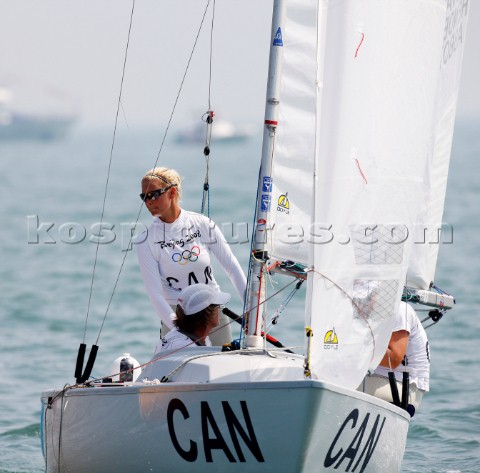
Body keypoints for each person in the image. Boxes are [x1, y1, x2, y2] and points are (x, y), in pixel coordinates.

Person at [136, 167, 247, 346]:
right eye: (144, 197)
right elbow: (155, 294)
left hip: (211, 312)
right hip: (176, 315)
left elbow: (232, 267)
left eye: (154, 194)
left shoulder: (202, 224)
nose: (148, 201)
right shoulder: (146, 240)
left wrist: (251, 308)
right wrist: (178, 330)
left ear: (172, 192)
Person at [359, 301, 430, 412]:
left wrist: (351, 345)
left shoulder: (399, 309)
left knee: (332, 385)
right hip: (376, 379)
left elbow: (393, 358)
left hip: (401, 386)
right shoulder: (365, 309)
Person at [156, 284, 230, 352]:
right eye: (217, 306)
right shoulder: (183, 346)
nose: (219, 310)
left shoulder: (201, 338)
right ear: (207, 313)